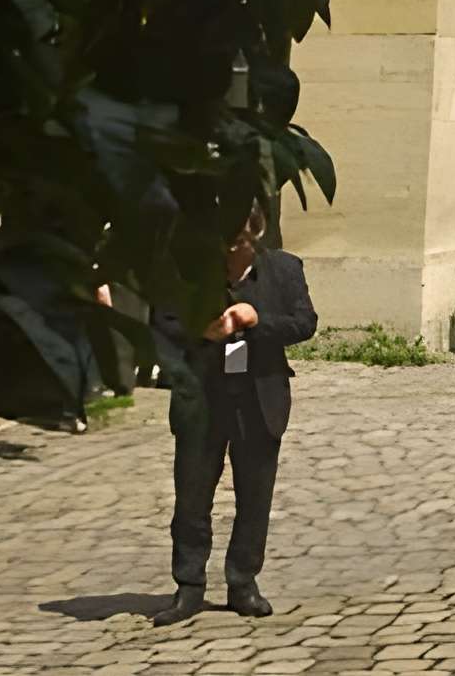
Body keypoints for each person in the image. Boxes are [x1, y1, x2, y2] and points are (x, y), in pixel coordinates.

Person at [151, 207, 318, 624]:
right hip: (203, 397)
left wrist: (256, 319)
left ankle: (243, 582)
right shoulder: (190, 272)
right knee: (191, 494)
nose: (231, 251)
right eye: (223, 242)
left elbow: (305, 322)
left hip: (258, 397)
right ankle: (188, 586)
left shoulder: (283, 269)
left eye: (240, 241)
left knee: (254, 495)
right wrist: (198, 330)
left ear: (255, 237)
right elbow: (161, 320)